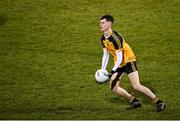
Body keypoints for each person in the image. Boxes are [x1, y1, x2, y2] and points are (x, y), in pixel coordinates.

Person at [99, 15, 166, 112]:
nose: (100, 24)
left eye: (103, 22)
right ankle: (134, 101)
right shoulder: (103, 38)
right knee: (113, 87)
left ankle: (159, 102)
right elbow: (105, 54)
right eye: (100, 22)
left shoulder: (115, 38)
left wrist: (112, 71)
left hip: (128, 60)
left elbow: (120, 57)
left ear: (109, 24)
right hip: (119, 63)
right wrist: (102, 70)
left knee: (136, 86)